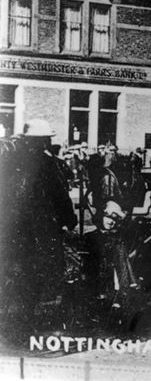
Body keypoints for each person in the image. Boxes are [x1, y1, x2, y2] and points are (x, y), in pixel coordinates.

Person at [10, 120, 77, 322]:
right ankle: (33, 316)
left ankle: (16, 315)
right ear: (42, 141)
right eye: (48, 139)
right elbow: (60, 195)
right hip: (42, 227)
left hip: (14, 227)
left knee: (18, 268)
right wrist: (69, 219)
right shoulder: (48, 164)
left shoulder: (10, 161)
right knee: (44, 268)